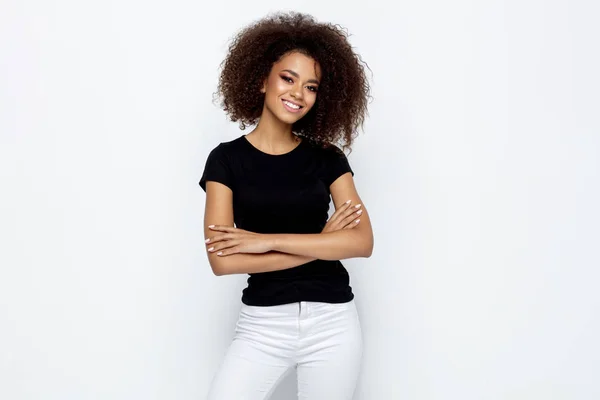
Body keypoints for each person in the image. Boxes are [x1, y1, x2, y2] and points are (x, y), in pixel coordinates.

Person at [198, 11, 374, 400]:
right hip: (263, 324)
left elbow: (361, 242)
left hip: (332, 321)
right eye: (287, 78)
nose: (298, 93)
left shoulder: (327, 158)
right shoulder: (225, 161)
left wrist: (264, 241)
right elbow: (222, 261)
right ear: (262, 79)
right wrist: (320, 243)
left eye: (311, 86)